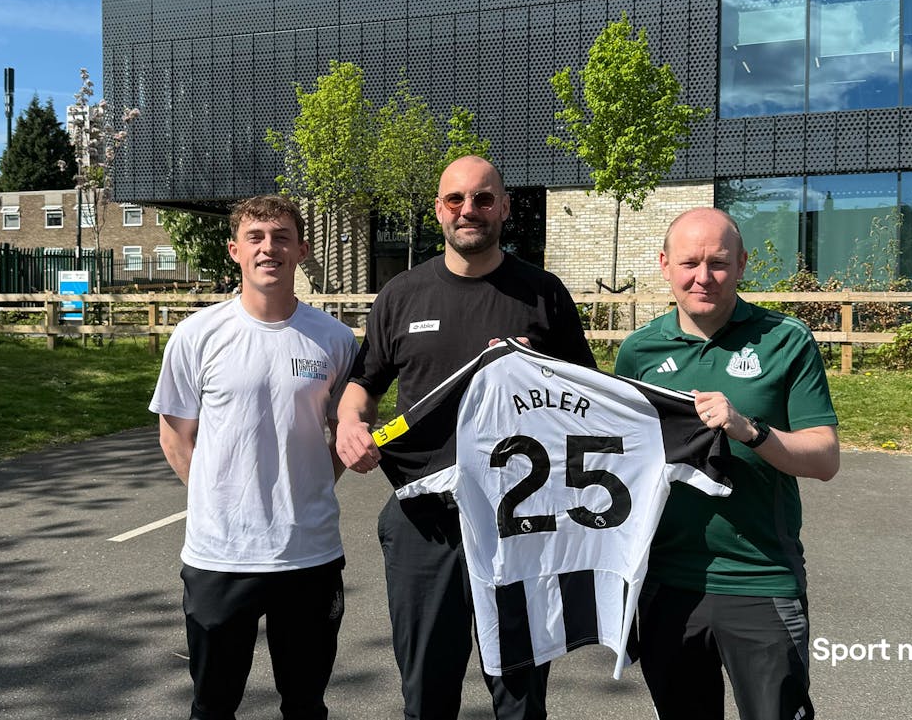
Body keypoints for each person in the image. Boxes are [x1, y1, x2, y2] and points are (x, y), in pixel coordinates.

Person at [335, 155, 595, 720]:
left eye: (482, 198)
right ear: (438, 210)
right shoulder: (402, 294)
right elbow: (362, 386)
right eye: (455, 199)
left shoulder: (542, 294)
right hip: (423, 521)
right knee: (427, 692)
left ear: (504, 206)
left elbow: (588, 400)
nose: (468, 210)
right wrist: (350, 425)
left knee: (521, 697)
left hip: (517, 519)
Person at [614, 207, 840, 720]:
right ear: (665, 265)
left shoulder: (786, 340)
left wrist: (750, 430)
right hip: (668, 585)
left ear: (741, 264)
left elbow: (825, 458)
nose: (703, 277)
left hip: (760, 578)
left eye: (718, 262)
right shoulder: (639, 352)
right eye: (690, 262)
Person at [149, 195, 358, 720]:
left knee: (306, 705)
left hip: (308, 553)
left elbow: (344, 432)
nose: (270, 248)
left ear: (301, 250)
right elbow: (175, 438)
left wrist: (311, 487)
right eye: (257, 238)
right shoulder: (197, 336)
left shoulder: (333, 339)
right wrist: (214, 502)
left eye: (282, 237)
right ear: (235, 251)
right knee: (213, 705)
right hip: (220, 557)